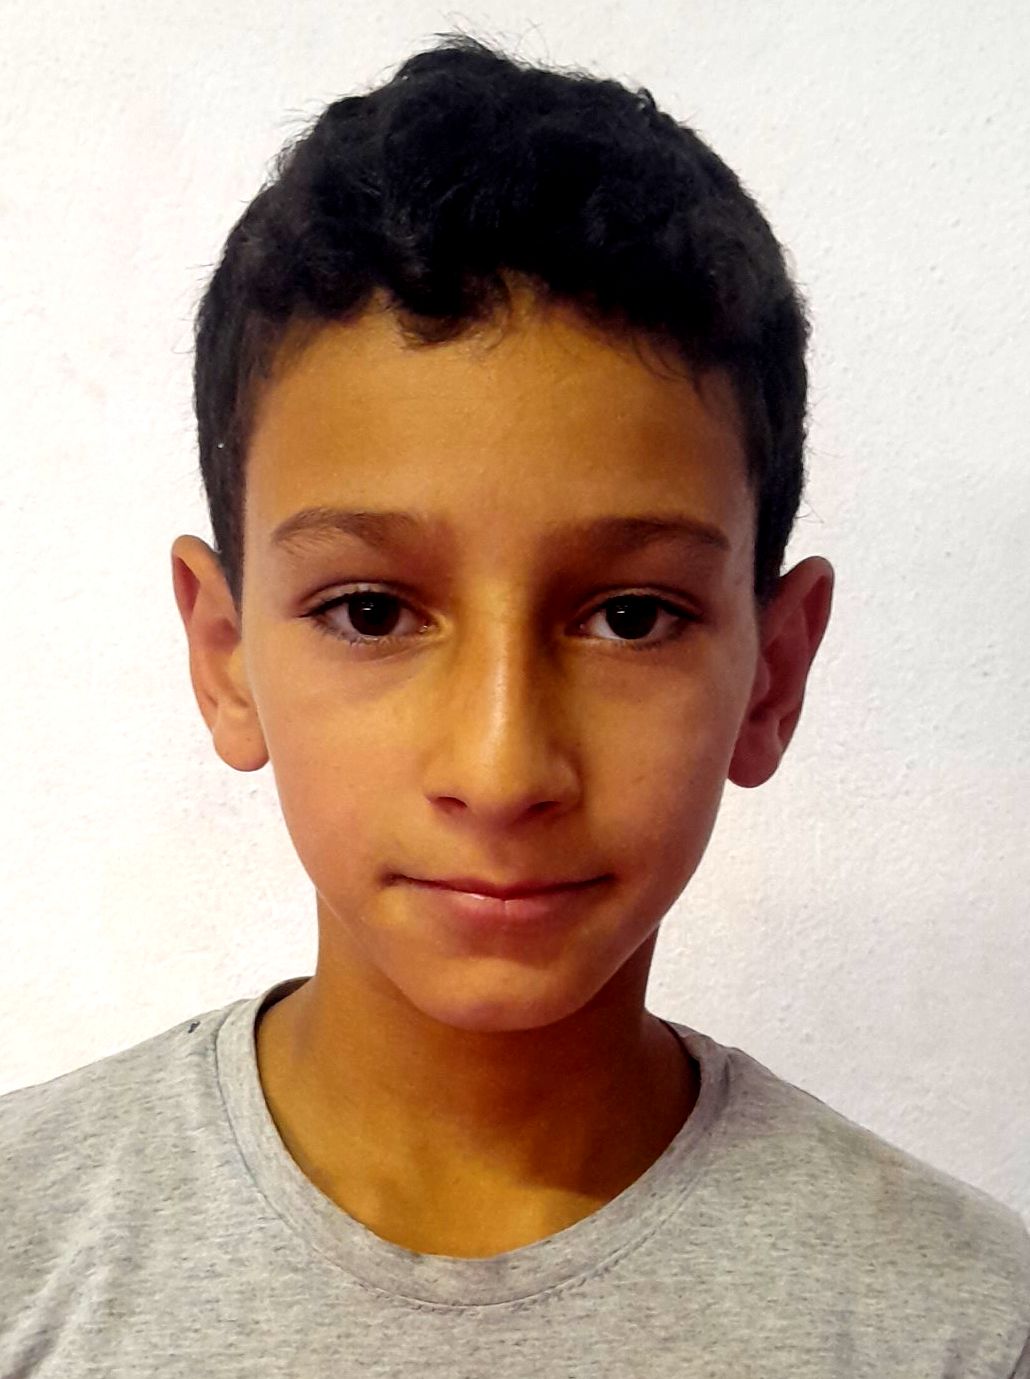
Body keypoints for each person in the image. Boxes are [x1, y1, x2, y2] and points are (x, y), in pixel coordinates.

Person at [2, 30, 1027, 1378]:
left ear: (771, 674)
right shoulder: (28, 1250)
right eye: (372, 612)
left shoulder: (962, 1329)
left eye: (630, 616)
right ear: (225, 653)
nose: (499, 771)